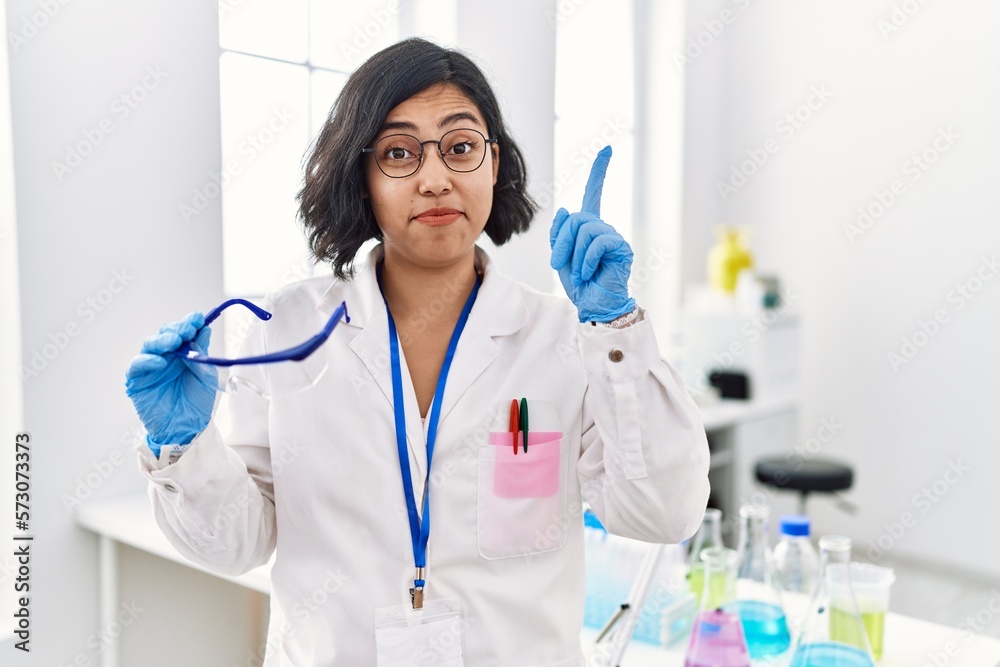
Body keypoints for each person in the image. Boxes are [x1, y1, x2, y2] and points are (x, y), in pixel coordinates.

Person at [125, 37, 709, 666]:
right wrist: (182, 447)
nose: (435, 180)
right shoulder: (284, 329)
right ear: (362, 177)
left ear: (494, 165)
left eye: (460, 148)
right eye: (399, 153)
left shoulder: (563, 339)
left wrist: (616, 327)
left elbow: (664, 513)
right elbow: (236, 544)